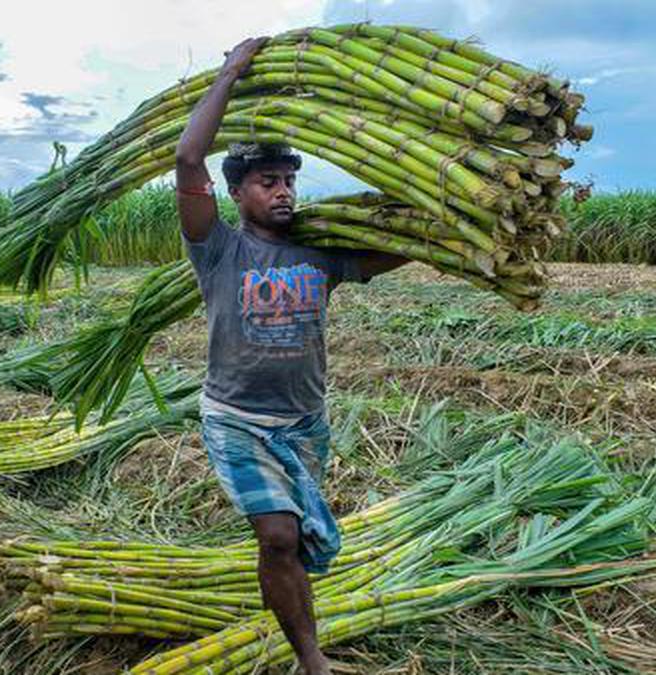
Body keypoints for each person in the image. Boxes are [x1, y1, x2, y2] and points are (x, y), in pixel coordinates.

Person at [174, 37, 409, 675]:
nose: (283, 192)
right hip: (237, 420)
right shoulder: (217, 248)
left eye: (289, 181)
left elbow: (407, 242)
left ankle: (296, 619)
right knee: (277, 534)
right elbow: (189, 156)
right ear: (238, 194)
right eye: (267, 182)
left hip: (305, 420)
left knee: (295, 545)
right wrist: (231, 72)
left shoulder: (320, 254)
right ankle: (313, 662)